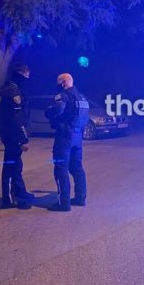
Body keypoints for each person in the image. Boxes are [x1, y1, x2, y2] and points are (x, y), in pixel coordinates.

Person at [45, 73, 89, 212]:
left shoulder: (63, 96)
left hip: (65, 136)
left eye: (58, 83)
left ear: (63, 83)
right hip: (78, 136)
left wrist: (49, 112)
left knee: (60, 167)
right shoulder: (82, 97)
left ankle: (63, 203)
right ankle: (80, 198)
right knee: (76, 167)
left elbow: (58, 110)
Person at [0, 63, 34, 209]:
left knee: (13, 164)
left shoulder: (3, 89)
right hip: (13, 134)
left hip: (7, 132)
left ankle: (18, 193)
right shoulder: (13, 92)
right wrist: (23, 139)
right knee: (12, 166)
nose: (27, 80)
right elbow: (17, 118)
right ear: (20, 76)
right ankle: (11, 198)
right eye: (26, 77)